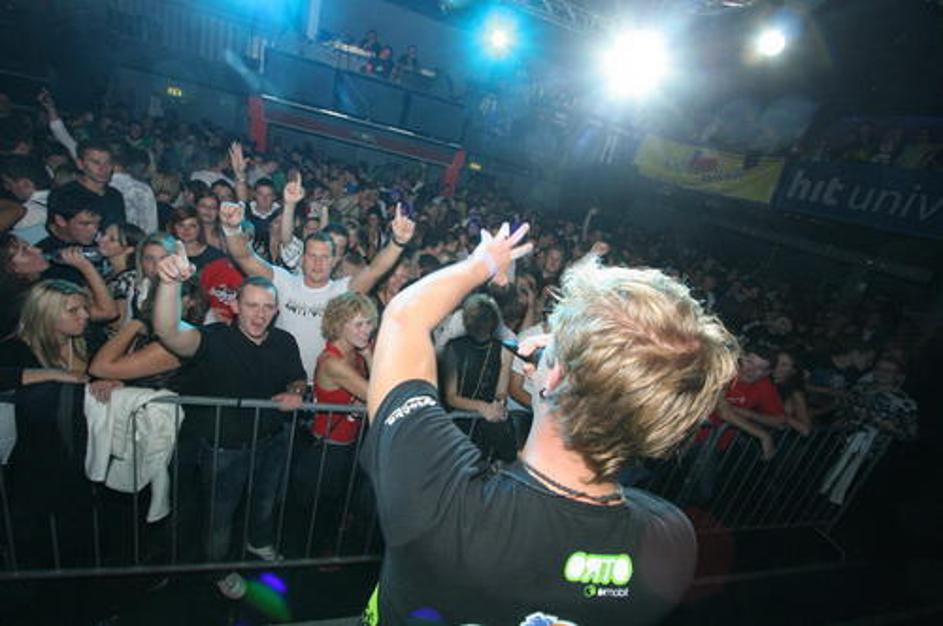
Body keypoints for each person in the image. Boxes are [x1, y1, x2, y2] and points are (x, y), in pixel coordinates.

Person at [361, 224, 739, 625]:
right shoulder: (672, 545)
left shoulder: (445, 502)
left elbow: (404, 318)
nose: (537, 346)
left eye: (552, 345)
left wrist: (480, 265)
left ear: (554, 379)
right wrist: (565, 362)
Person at [153, 245, 307, 597]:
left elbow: (297, 377)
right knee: (220, 517)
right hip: (225, 449)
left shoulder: (284, 341)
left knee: (265, 501)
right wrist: (169, 284)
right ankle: (218, 570)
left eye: (267, 307)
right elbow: (169, 332)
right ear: (236, 306)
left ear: (276, 311)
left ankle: (258, 542)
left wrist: (296, 391)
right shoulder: (214, 339)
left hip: (273, 439)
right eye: (252, 305)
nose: (259, 314)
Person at [219, 172, 416, 379]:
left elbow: (374, 270)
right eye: (312, 256)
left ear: (334, 261)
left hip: (322, 385)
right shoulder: (283, 281)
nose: (318, 263)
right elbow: (244, 257)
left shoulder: (342, 291)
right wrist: (231, 229)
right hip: (278, 380)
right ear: (302, 258)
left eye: (324, 257)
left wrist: (397, 242)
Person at [292, 291, 377, 549]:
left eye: (369, 323)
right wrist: (369, 355)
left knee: (336, 507)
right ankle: (313, 558)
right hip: (328, 450)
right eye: (359, 324)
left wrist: (367, 354)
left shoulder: (355, 353)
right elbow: (377, 393)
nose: (367, 330)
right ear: (339, 325)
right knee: (319, 514)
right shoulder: (332, 363)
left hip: (349, 443)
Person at [167, 205, 224, 273]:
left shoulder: (215, 256)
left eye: (192, 226)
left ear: (200, 228)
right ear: (174, 228)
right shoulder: (167, 254)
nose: (186, 230)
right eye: (181, 225)